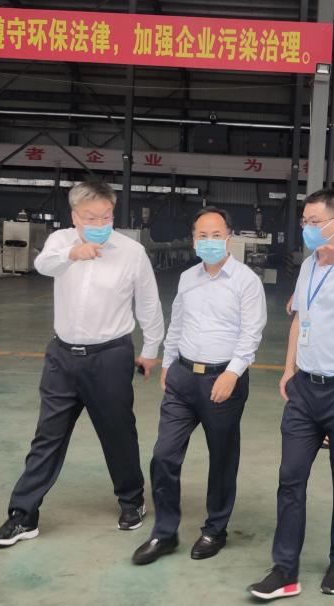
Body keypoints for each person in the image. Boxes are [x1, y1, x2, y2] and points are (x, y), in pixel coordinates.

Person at [0, 181, 165, 547]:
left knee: (118, 433)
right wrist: (73, 253)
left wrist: (150, 348)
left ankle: (131, 500)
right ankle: (23, 515)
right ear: (74, 217)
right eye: (90, 217)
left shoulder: (131, 252)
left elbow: (148, 303)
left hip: (110, 356)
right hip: (63, 356)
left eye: (106, 216)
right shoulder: (60, 242)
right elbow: (42, 265)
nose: (100, 223)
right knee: (47, 436)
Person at [248, 190, 334, 600]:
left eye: (314, 221)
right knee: (290, 477)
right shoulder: (308, 265)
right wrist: (289, 368)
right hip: (306, 389)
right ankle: (285, 569)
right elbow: (301, 318)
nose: (306, 228)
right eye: (304, 221)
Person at [132, 207, 267, 565]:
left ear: (228, 238)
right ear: (193, 240)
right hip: (182, 378)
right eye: (202, 236)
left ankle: (215, 529)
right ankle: (165, 533)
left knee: (221, 458)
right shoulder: (187, 278)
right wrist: (168, 362)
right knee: (164, 455)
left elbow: (251, 333)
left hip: (222, 380)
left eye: (216, 235)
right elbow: (178, 323)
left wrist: (232, 373)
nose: (209, 242)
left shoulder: (246, 281)